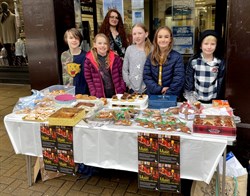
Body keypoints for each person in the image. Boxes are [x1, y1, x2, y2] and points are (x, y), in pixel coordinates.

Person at [184, 29, 225, 103]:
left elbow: (220, 81)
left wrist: (220, 98)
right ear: (200, 46)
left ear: (216, 46)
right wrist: (190, 98)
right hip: (196, 100)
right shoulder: (194, 61)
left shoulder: (219, 62)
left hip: (213, 100)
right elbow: (189, 81)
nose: (209, 47)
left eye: (212, 44)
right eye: (206, 44)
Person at [143, 26, 185, 97]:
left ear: (170, 39)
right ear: (156, 39)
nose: (163, 39)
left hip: (171, 96)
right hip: (153, 95)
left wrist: (168, 93)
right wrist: (160, 89)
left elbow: (178, 79)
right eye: (160, 37)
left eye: (166, 37)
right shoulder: (150, 57)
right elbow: (147, 76)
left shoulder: (177, 57)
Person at [84, 33, 126, 98]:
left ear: (108, 45)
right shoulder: (89, 60)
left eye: (105, 43)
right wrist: (94, 92)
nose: (102, 45)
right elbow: (89, 79)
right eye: (100, 43)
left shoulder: (115, 58)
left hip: (116, 93)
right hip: (99, 95)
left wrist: (121, 88)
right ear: (95, 44)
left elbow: (122, 74)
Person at [122, 23, 152, 94]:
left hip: (147, 89)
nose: (137, 36)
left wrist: (149, 86)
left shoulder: (152, 49)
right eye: (134, 34)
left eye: (140, 33)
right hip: (132, 89)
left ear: (146, 34)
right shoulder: (129, 49)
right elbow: (124, 70)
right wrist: (129, 85)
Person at [61, 28, 89, 95]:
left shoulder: (86, 56)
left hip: (84, 92)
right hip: (69, 91)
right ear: (66, 39)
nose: (74, 40)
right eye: (71, 38)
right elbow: (65, 74)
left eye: (76, 38)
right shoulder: (64, 55)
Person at [0, 2, 17, 66]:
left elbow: (16, 29)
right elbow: (0, 29)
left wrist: (17, 38)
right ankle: (11, 67)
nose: (1, 8)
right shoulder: (0, 17)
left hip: (12, 39)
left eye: (2, 7)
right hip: (5, 38)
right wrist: (1, 39)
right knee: (8, 54)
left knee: (13, 54)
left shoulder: (13, 16)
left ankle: (14, 67)